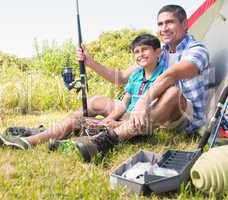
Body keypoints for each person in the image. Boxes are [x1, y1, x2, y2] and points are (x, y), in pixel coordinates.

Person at [74, 4, 210, 161]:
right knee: (95, 102)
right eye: (160, 24)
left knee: (173, 92)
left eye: (169, 22)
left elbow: (171, 76)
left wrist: (143, 102)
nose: (164, 28)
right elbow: (121, 77)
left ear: (185, 24)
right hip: (158, 115)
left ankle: (107, 139)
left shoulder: (197, 50)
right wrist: (90, 62)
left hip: (185, 116)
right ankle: (50, 134)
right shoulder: (161, 52)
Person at [0, 33, 164, 150]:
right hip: (121, 118)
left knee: (84, 126)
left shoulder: (163, 77)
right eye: (136, 52)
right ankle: (42, 137)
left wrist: (116, 125)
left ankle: (28, 142)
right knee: (78, 121)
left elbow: (151, 118)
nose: (140, 55)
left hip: (134, 127)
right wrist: (109, 119)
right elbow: (125, 102)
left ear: (158, 52)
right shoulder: (136, 75)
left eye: (144, 50)